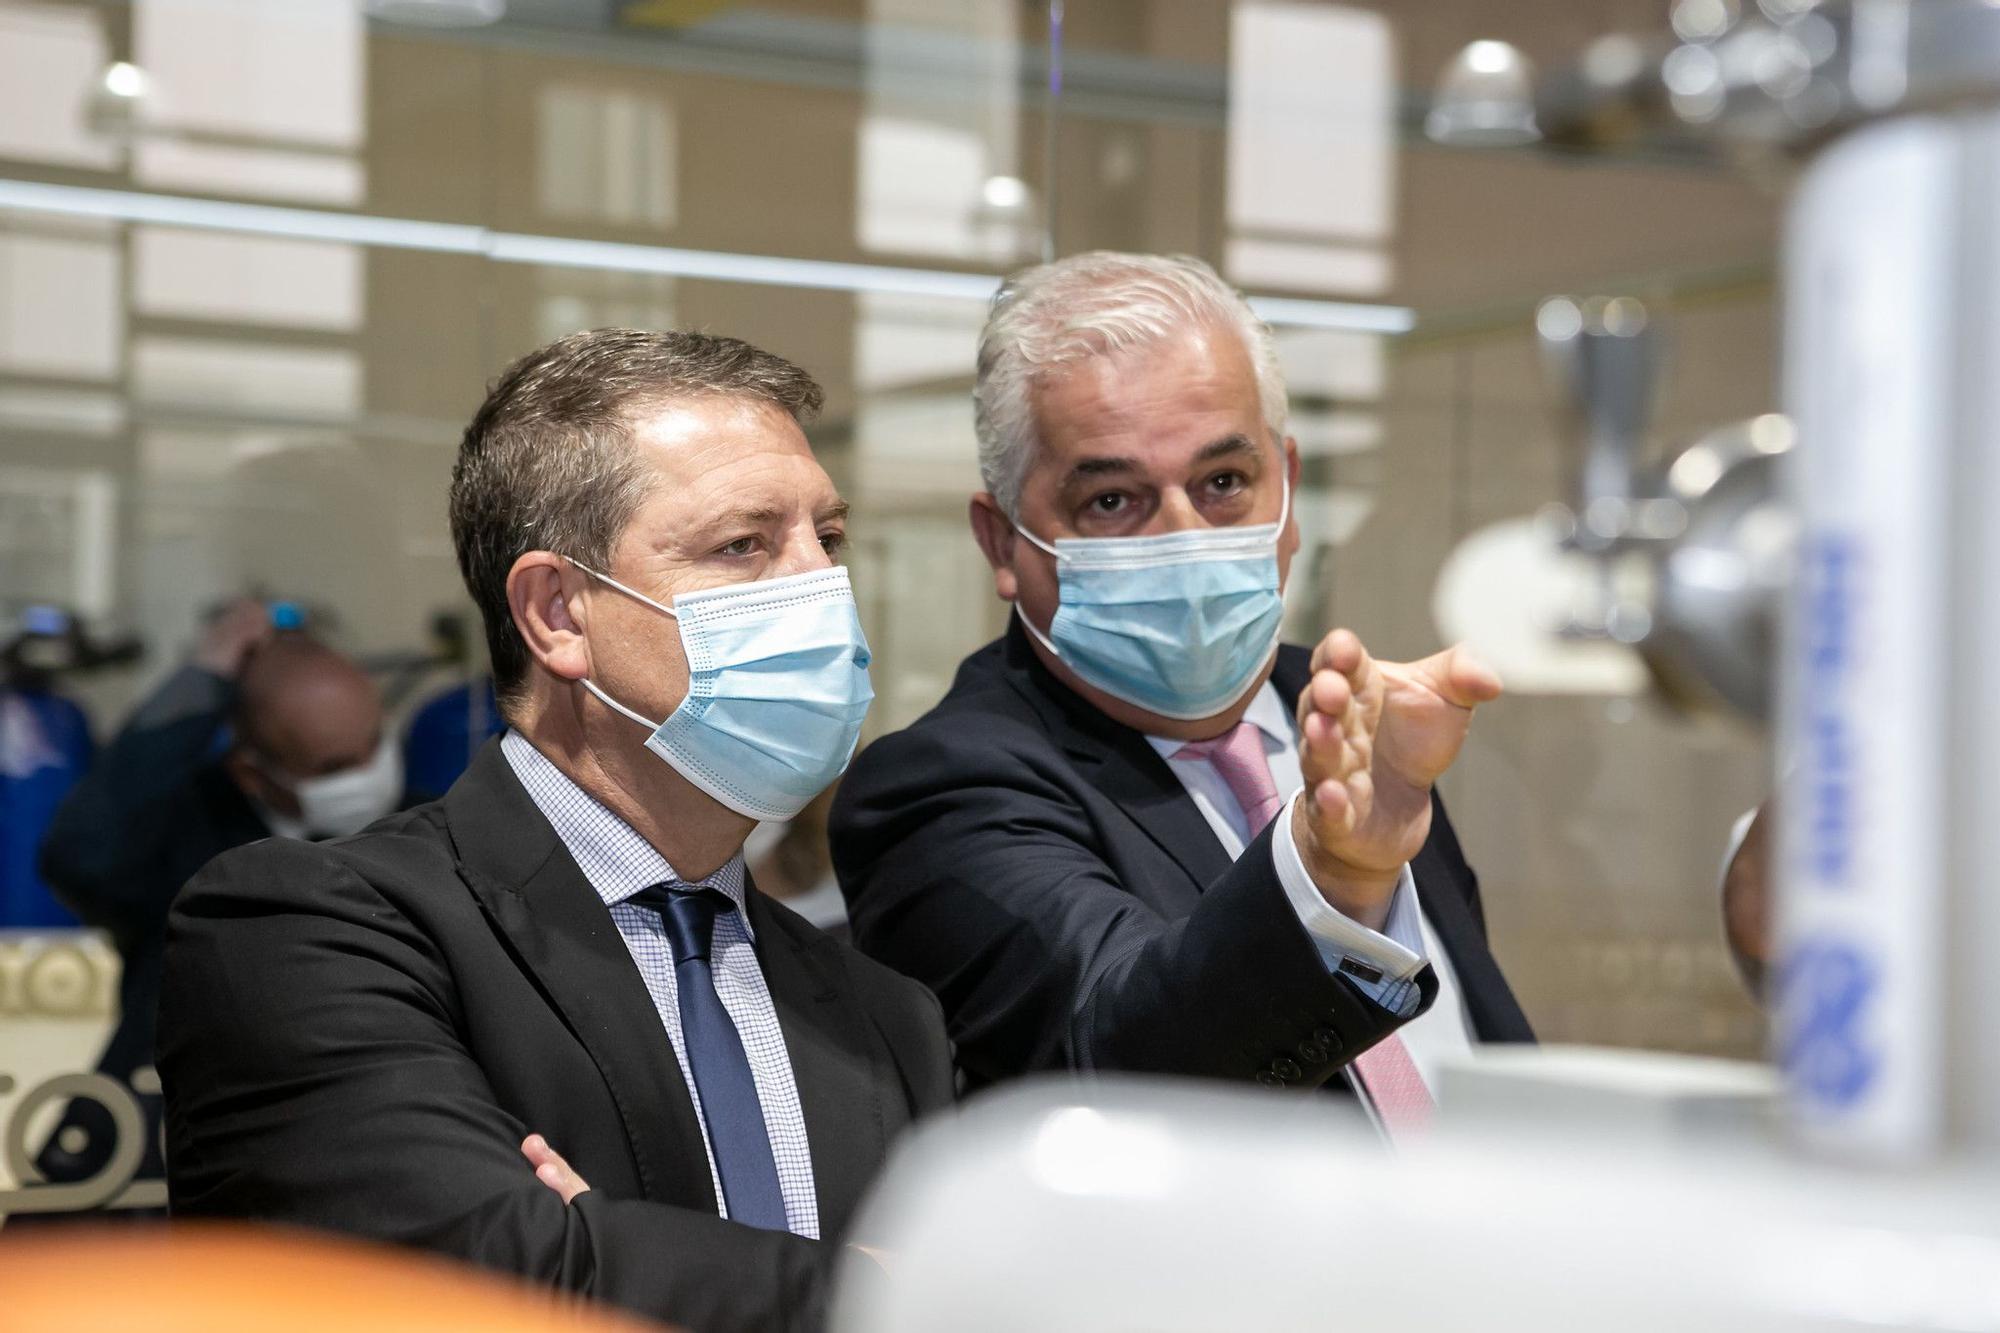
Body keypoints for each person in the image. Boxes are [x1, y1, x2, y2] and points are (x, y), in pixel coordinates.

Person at [157, 329, 953, 1333]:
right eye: (743, 544)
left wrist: (604, 1247)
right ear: (556, 613)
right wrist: (895, 1285)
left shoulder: (885, 1019)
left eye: (825, 540)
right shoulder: (308, 931)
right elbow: (473, 1287)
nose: (819, 589)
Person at [831, 252, 1533, 1131]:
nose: (1185, 536)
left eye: (1225, 483)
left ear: (1291, 488)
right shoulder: (940, 791)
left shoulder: (1355, 722)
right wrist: (1333, 878)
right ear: (1002, 542)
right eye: (1114, 499)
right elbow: (1118, 1057)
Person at [36, 608, 400, 1192]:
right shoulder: (185, 838)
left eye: (374, 744)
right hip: (170, 1170)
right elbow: (81, 856)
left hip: (364, 1158)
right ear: (251, 772)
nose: (369, 774)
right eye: (333, 766)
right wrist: (198, 684)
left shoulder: (416, 825)